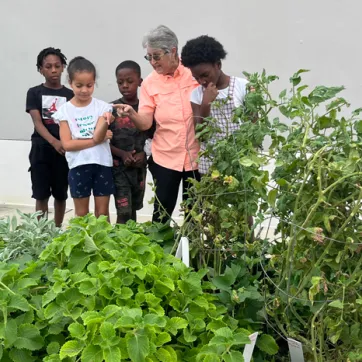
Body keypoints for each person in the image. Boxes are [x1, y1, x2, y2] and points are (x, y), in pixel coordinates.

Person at [114, 25, 200, 224]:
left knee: (195, 215)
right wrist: (133, 114)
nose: (152, 62)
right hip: (166, 158)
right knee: (161, 215)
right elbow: (145, 123)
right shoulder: (150, 83)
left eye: (156, 56)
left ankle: (192, 255)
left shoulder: (193, 72)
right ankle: (159, 252)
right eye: (149, 57)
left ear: (172, 51)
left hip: (197, 156)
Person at [52, 56, 115, 220]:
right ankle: (82, 245)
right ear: (70, 82)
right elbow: (67, 144)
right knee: (81, 215)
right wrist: (96, 140)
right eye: (79, 86)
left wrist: (101, 130)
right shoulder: (64, 111)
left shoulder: (103, 107)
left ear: (94, 82)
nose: (84, 90)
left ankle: (103, 245)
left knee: (103, 214)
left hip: (102, 164)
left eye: (89, 85)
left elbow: (98, 134)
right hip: (78, 166)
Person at [181, 35, 248, 175]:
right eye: (196, 78)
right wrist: (206, 104)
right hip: (211, 168)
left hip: (240, 165)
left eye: (205, 75)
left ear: (218, 65)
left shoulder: (242, 87)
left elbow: (254, 129)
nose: (202, 81)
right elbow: (201, 136)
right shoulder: (197, 95)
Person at [26, 47, 74, 227]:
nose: (53, 70)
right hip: (41, 150)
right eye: (48, 66)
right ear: (40, 69)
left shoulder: (70, 95)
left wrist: (66, 144)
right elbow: (38, 123)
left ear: (63, 67)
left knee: (61, 194)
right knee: (41, 194)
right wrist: (54, 142)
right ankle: (41, 233)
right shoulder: (34, 93)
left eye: (57, 66)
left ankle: (57, 229)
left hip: (63, 152)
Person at [109, 60, 155, 224]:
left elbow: (153, 135)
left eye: (130, 81)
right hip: (119, 169)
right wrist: (121, 154)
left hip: (139, 169)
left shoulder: (146, 109)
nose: (125, 86)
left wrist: (145, 153)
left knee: (134, 208)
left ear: (140, 82)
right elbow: (104, 140)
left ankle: (131, 241)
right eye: (120, 82)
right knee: (123, 211)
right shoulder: (112, 109)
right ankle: (119, 246)